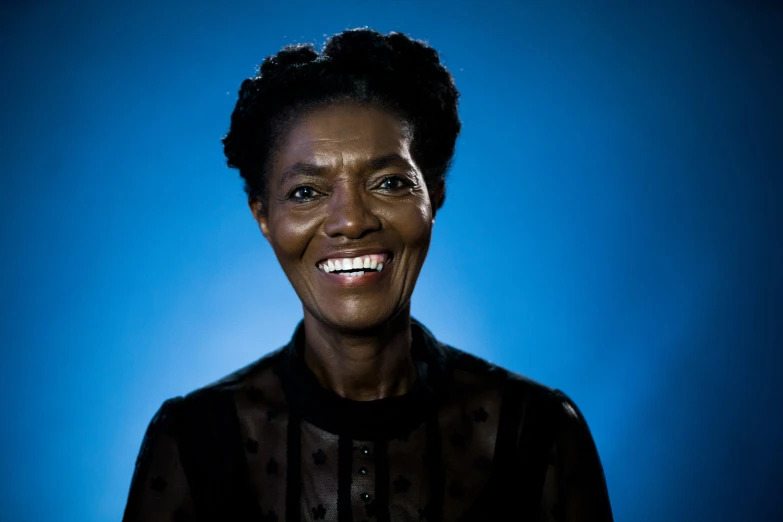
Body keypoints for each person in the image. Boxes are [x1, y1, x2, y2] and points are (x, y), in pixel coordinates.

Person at [122, 28, 613, 522]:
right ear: (263, 217)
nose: (351, 221)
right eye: (306, 192)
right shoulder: (193, 439)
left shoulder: (540, 432)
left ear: (434, 196)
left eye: (390, 183)